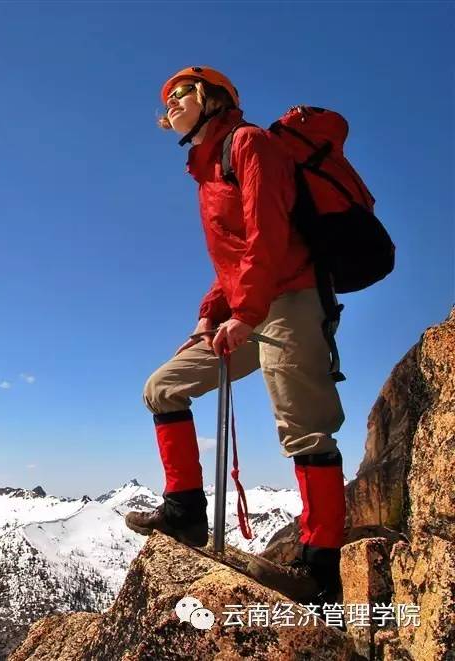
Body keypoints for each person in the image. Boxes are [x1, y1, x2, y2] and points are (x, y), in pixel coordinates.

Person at [123, 66, 347, 603]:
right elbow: (233, 255)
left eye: (180, 93)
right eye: (168, 98)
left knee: (304, 428)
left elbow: (268, 234)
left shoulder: (250, 145)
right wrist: (209, 313)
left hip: (290, 297)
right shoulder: (205, 173)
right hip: (248, 303)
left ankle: (320, 571)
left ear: (212, 98)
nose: (170, 103)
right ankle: (184, 513)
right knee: (163, 388)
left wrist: (244, 313)